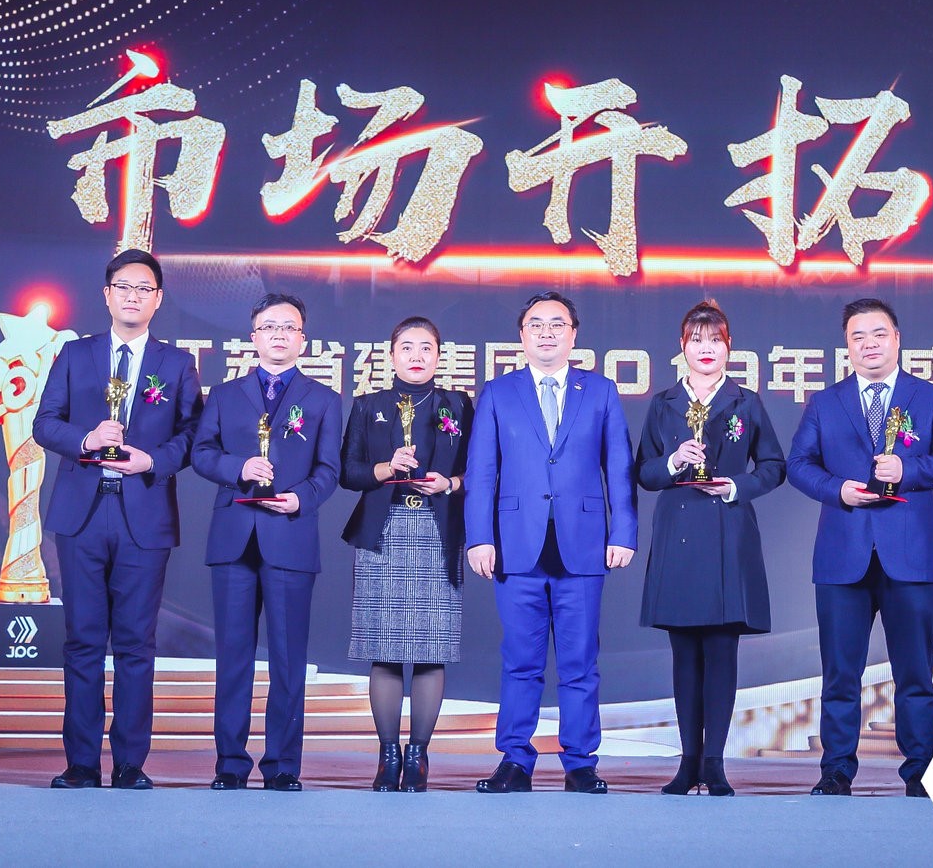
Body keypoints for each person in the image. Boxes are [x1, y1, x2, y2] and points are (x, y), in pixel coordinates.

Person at [33, 248, 203, 790]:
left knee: (135, 643)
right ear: (107, 295)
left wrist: (152, 461)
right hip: (82, 515)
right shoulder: (74, 355)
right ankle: (81, 762)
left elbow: (193, 436)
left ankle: (131, 762)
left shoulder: (176, 364)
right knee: (83, 640)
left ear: (158, 299)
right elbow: (44, 423)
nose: (133, 296)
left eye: (144, 289)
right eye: (124, 287)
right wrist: (87, 439)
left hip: (144, 514)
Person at [786, 297, 933, 798]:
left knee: (915, 673)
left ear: (897, 339)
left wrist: (909, 469)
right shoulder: (825, 401)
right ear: (847, 346)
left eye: (879, 334)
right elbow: (797, 464)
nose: (869, 345)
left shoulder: (930, 397)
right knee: (840, 674)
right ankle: (836, 770)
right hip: (843, 554)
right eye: (858, 337)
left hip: (910, 555)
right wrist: (837, 490)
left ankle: (921, 772)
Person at [464, 291, 637, 794]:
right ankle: (515, 760)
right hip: (516, 545)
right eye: (535, 324)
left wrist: (623, 530)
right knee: (521, 661)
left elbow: (619, 468)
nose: (546, 332)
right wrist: (479, 538)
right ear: (521, 336)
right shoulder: (498, 393)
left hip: (582, 545)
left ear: (573, 334)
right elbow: (482, 472)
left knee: (580, 662)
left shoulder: (600, 391)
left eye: (557, 324)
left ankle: (580, 763)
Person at [192, 292, 341, 792]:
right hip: (233, 538)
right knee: (233, 657)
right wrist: (239, 467)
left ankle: (282, 765)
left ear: (303, 340)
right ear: (253, 336)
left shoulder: (324, 399)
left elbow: (329, 470)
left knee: (288, 659)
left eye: (289, 327)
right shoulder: (224, 395)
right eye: (270, 326)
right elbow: (202, 454)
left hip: (290, 536)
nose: (279, 335)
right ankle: (230, 764)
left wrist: (301, 498)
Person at [636, 300, 785, 797]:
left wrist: (735, 486)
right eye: (697, 340)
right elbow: (644, 471)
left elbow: (774, 466)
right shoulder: (663, 403)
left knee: (722, 651)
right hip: (678, 534)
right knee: (684, 655)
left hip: (727, 529)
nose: (706, 349)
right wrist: (674, 461)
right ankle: (688, 763)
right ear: (681, 347)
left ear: (729, 347)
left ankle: (716, 763)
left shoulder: (746, 402)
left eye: (715, 340)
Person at [339, 316, 473, 792]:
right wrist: (384, 468)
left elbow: (481, 470)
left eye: (426, 348)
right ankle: (388, 755)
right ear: (391, 354)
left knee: (431, 653)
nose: (417, 356)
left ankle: (418, 756)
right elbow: (347, 472)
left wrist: (450, 483)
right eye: (407, 347)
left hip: (437, 531)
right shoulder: (368, 405)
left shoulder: (459, 404)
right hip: (384, 532)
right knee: (385, 652)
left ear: (440, 355)